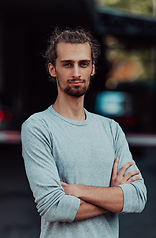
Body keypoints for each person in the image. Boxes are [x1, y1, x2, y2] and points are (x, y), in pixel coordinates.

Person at [21, 27, 147, 238]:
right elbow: (53, 206)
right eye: (67, 64)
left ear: (93, 69)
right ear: (52, 69)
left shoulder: (111, 129)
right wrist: (115, 199)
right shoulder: (38, 127)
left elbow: (138, 198)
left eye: (83, 64)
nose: (77, 73)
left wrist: (77, 190)